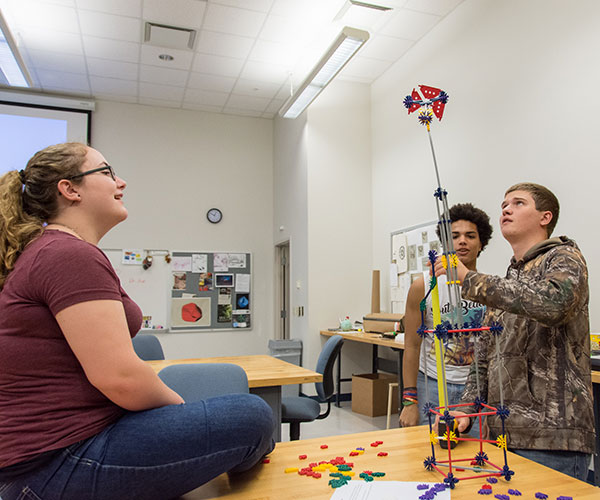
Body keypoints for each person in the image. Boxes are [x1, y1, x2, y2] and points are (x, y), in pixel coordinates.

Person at [0, 143, 275, 500]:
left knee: (222, 412)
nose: (121, 182)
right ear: (69, 189)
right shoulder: (67, 254)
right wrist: (182, 413)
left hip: (53, 457)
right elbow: (121, 379)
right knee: (251, 415)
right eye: (106, 172)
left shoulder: (48, 251)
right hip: (59, 464)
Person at [437, 183, 594, 481]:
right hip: (503, 434)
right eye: (504, 205)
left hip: (553, 440)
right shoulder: (510, 280)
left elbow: (553, 303)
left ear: (545, 217)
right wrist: (467, 408)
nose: (506, 209)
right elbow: (485, 356)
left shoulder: (565, 257)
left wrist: (470, 279)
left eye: (518, 203)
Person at [399, 203, 493, 429]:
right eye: (455, 236)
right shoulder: (423, 286)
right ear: (444, 242)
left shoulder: (490, 289)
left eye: (470, 236)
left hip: (477, 388)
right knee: (428, 455)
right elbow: (411, 345)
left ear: (481, 244)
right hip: (431, 384)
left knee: (474, 457)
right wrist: (409, 401)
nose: (462, 241)